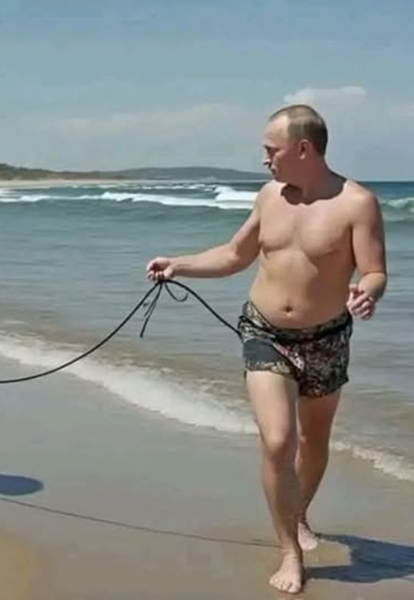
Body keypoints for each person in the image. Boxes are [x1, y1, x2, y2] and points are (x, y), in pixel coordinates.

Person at [146, 104, 387, 594]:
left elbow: (375, 270)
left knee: (314, 441)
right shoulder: (269, 196)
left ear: (304, 149)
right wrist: (180, 264)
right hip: (265, 332)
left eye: (271, 150)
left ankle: (298, 514)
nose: (264, 159)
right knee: (279, 441)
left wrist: (368, 292)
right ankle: (289, 551)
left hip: (326, 339)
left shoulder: (357, 203)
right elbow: (235, 255)